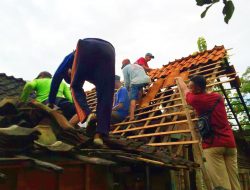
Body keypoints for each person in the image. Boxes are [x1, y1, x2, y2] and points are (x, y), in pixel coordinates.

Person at [176, 75, 241, 190]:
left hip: (213, 145)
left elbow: (184, 90)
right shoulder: (218, 97)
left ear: (198, 89)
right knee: (234, 182)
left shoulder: (196, 99)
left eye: (192, 87)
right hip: (230, 144)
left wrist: (180, 79)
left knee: (221, 184)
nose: (190, 89)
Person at [48, 38, 115, 145]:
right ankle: (99, 135)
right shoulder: (89, 72)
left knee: (75, 87)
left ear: (68, 71)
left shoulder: (70, 57)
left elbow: (56, 78)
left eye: (70, 75)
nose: (72, 75)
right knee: (106, 94)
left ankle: (87, 114)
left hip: (87, 46)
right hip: (109, 50)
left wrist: (51, 102)